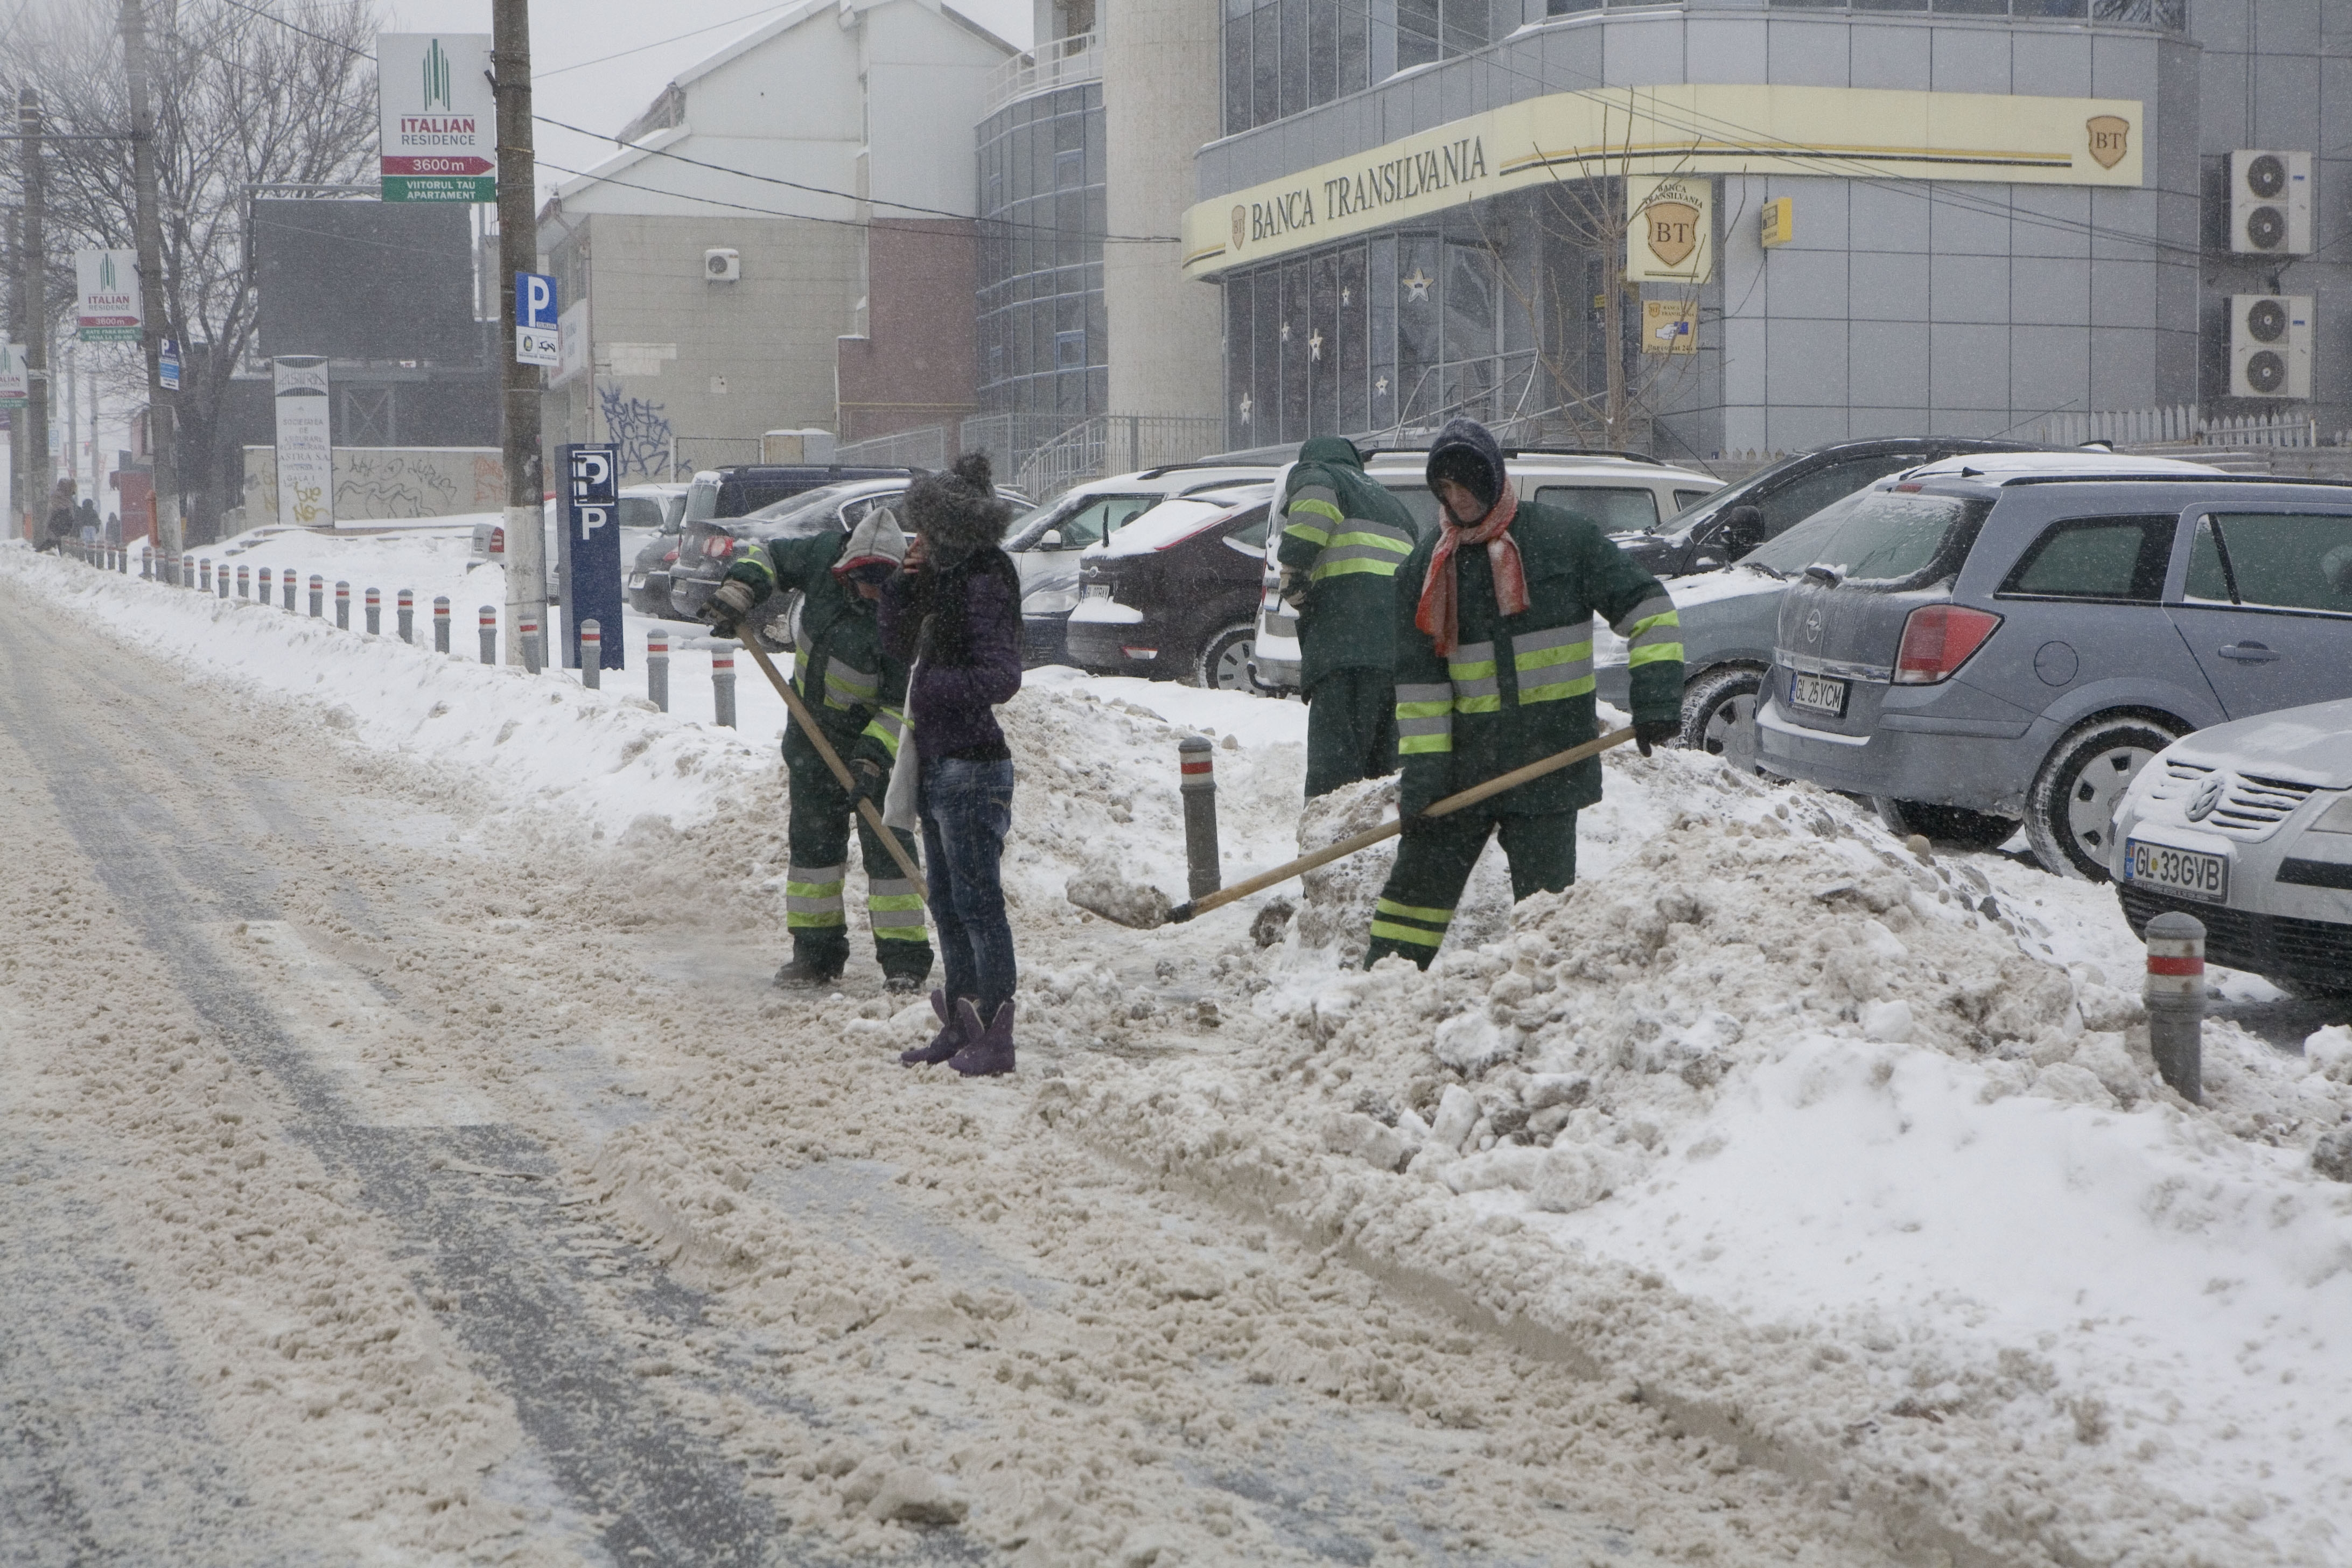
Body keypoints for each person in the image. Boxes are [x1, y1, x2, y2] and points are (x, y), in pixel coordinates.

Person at [1364, 418, 1685, 970]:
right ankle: (1379, 991)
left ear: (1493, 479)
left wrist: (1656, 700)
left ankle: (1547, 1000)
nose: (1458, 498)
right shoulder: (1425, 571)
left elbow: (1649, 609)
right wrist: (1423, 783)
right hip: (1461, 772)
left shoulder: (1564, 540)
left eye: (1467, 483)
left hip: (1549, 764)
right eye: (1446, 487)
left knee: (1548, 921)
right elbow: (1421, 692)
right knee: (1412, 900)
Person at [702, 508, 933, 994]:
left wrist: (872, 759)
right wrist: (743, 588)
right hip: (811, 742)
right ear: (845, 570)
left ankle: (905, 962)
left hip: (878, 751)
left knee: (889, 857)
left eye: (882, 586)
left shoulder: (907, 615)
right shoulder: (822, 556)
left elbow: (903, 706)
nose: (871, 594)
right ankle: (815, 956)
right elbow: (767, 556)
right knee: (813, 857)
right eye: (863, 583)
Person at [878, 453, 1024, 1077]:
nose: (919, 537)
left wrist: (932, 689)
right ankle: (962, 1021)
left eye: (928, 527)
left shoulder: (985, 576)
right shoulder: (942, 577)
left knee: (978, 903)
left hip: (972, 766)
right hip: (938, 762)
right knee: (945, 900)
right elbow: (895, 644)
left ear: (954, 526)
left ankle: (995, 1030)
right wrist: (903, 584)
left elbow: (1002, 675)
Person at [1275, 436, 1421, 797]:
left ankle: (1328, 831)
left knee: (1335, 771)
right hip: (1396, 656)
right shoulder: (1391, 503)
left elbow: (1315, 498)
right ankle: (1380, 830)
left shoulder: (1319, 474)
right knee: (1384, 772)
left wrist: (1292, 568)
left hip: (1344, 649)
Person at [40, 478, 76, 553]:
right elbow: (72, 517)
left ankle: (39, 553)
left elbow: (50, 514)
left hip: (54, 528)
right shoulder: (69, 500)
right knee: (61, 548)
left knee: (51, 544)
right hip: (63, 529)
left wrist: (46, 528)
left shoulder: (54, 497)